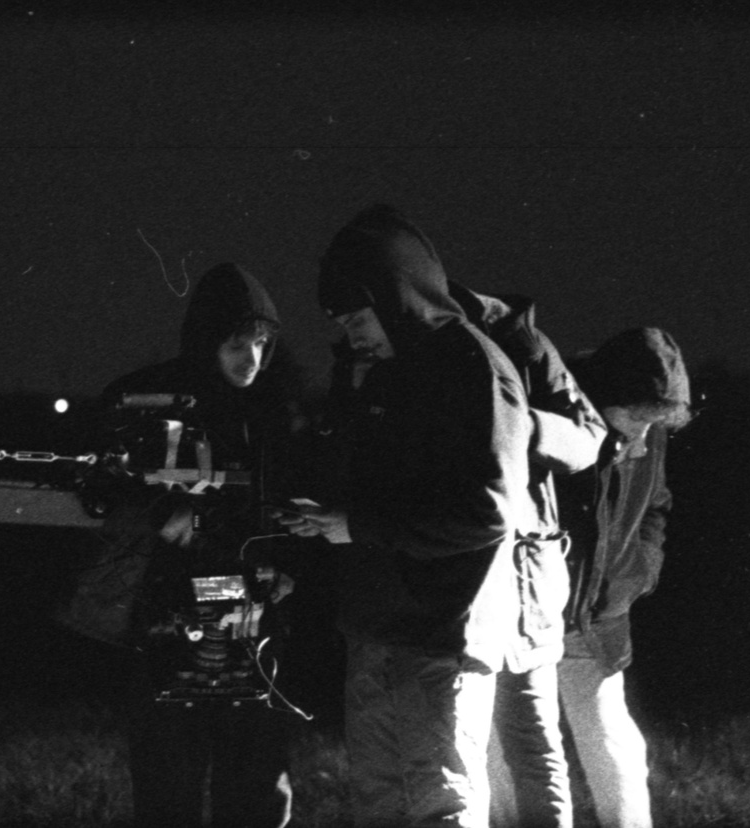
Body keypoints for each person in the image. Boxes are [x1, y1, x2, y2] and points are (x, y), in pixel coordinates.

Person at [278, 205, 541, 828]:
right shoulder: (383, 372)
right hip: (377, 626)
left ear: (396, 297)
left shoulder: (474, 368)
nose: (351, 334)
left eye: (358, 317)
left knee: (440, 804)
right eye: (341, 322)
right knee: (380, 803)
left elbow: (488, 510)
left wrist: (357, 525)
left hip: (441, 633)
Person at [56, 262, 299, 828]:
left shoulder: (277, 408)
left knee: (256, 775)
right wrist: (158, 509)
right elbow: (95, 477)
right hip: (166, 617)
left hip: (252, 617)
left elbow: (298, 495)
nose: (252, 359)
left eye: (262, 344)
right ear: (207, 339)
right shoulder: (147, 397)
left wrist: (291, 564)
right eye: (237, 343)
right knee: (168, 773)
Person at [448, 282, 609, 828]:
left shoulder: (524, 345)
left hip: (524, 578)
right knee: (460, 751)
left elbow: (588, 437)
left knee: (533, 741)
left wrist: (513, 421)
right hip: (466, 576)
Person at [557, 327, 692, 828]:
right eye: (635, 417)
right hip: (535, 609)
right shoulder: (560, 417)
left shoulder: (649, 426)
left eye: (654, 422)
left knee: (611, 738)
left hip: (601, 611)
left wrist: (640, 572)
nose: (643, 434)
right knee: (518, 741)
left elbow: (657, 504)